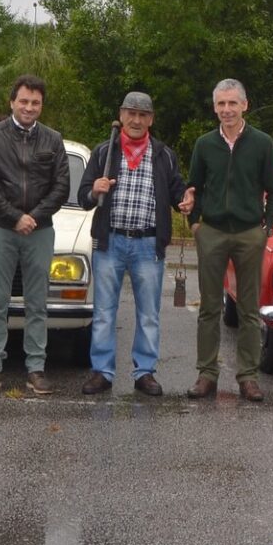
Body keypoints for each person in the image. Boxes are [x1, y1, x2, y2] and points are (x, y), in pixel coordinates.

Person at [76, 91, 194, 396]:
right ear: (122, 115)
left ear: (151, 119)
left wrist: (185, 200)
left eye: (143, 115)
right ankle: (102, 371)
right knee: (104, 312)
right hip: (110, 242)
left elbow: (177, 191)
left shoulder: (164, 155)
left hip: (148, 244)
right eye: (131, 113)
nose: (137, 120)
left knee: (149, 314)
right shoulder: (104, 152)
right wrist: (95, 190)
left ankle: (144, 372)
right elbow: (83, 196)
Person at [185, 78, 273, 402]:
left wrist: (267, 227)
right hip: (212, 232)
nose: (226, 109)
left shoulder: (262, 143)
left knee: (249, 309)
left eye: (232, 103)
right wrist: (195, 223)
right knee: (209, 307)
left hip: (249, 234)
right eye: (221, 104)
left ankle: (248, 377)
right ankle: (206, 374)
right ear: (214, 107)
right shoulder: (204, 144)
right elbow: (194, 187)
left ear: (244, 105)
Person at [0, 75, 70, 396]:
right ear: (12, 102)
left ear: (42, 106)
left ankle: (36, 369)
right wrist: (15, 218)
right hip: (0, 229)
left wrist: (34, 218)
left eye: (35, 102)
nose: (29, 107)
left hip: (40, 231)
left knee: (37, 303)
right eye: (24, 101)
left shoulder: (53, 140)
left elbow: (61, 187)